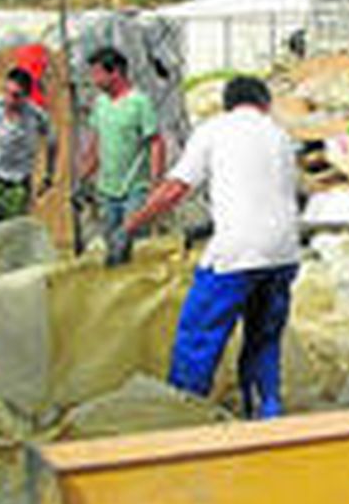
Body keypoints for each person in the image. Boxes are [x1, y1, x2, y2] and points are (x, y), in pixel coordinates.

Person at [124, 75, 301, 419]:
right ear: (264, 103)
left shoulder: (215, 130)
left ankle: (184, 414)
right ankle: (267, 412)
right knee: (263, 340)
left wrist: (131, 225)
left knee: (198, 337)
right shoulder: (280, 135)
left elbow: (176, 189)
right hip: (283, 252)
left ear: (228, 104)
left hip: (236, 253)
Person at [79, 47, 163, 264]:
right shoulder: (101, 103)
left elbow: (156, 143)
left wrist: (155, 184)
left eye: (97, 74)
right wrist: (83, 176)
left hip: (135, 189)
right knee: (111, 247)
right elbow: (96, 142)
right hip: (107, 190)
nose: (93, 79)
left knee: (131, 246)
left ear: (114, 73)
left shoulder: (140, 103)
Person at [0, 67, 55, 226]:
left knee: (13, 232)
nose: (10, 100)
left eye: (16, 95)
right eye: (7, 92)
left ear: (26, 96)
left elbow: (53, 141)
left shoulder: (36, 116)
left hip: (17, 184)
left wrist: (49, 173)